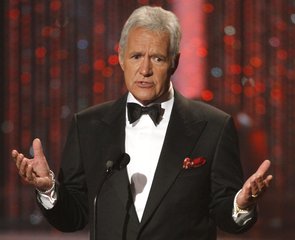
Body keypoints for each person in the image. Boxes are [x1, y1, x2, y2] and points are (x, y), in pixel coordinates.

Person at [12, 6, 273, 240]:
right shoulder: (88, 126)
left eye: (157, 58)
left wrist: (242, 203)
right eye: (136, 56)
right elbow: (74, 218)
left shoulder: (214, 126)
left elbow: (226, 215)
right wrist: (48, 189)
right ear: (121, 58)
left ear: (174, 62)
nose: (145, 69)